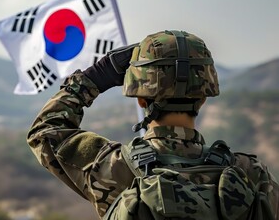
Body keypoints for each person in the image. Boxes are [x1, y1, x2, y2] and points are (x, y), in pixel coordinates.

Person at [27, 30, 279, 219]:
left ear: (140, 99)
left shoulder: (112, 168)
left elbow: (45, 131)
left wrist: (94, 78)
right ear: (202, 100)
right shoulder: (252, 173)